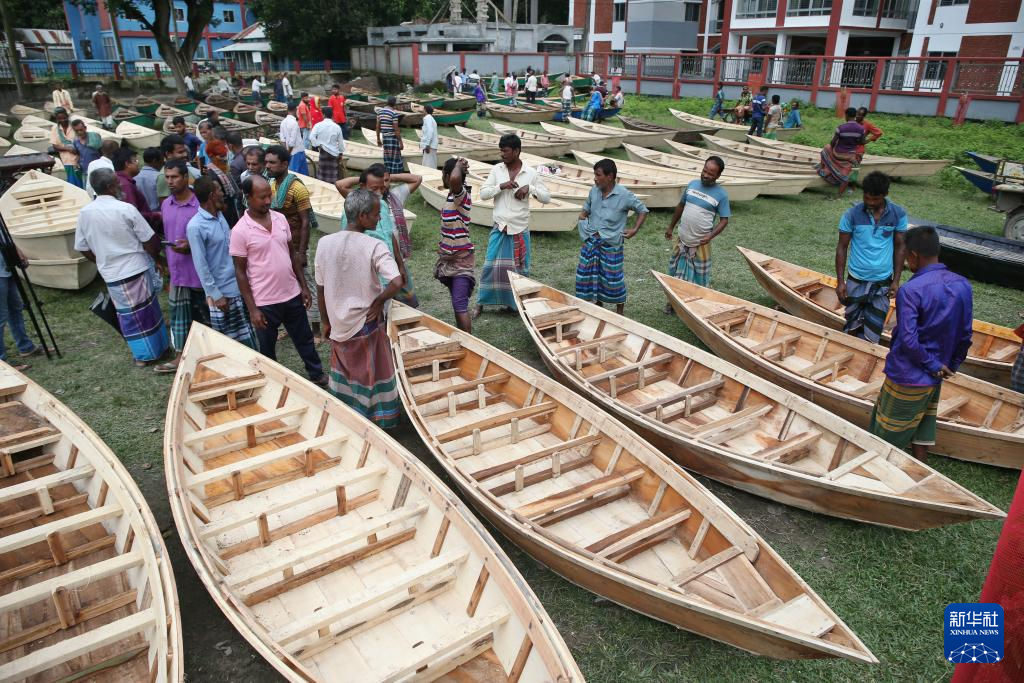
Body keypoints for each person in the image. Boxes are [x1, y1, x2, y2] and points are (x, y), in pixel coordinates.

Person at [869, 225, 972, 463]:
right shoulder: (962, 285)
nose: (905, 262)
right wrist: (950, 365)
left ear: (913, 255)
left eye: (906, 257)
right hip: (935, 373)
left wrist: (933, 365)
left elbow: (908, 339)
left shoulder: (911, 290)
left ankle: (877, 468)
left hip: (908, 374)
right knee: (925, 417)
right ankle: (921, 463)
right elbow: (965, 334)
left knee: (887, 430)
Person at [315, 188, 403, 426]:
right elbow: (396, 281)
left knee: (346, 372)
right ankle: (379, 417)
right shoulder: (374, 246)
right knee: (372, 373)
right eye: (375, 214)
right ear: (363, 215)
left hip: (338, 323)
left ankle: (349, 415)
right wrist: (379, 300)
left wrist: (324, 321)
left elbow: (320, 289)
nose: (379, 218)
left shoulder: (324, 244)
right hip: (366, 322)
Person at [230, 176, 327, 386]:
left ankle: (317, 374)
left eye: (269, 196)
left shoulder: (280, 219)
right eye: (262, 197)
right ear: (248, 197)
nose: (267, 201)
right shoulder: (240, 231)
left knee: (305, 340)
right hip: (264, 302)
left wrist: (303, 286)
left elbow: (292, 254)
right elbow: (240, 272)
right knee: (267, 348)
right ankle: (272, 382)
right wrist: (253, 309)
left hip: (291, 294)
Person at [74, 168, 169, 366]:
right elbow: (150, 239)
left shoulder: (85, 213)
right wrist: (156, 257)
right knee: (146, 310)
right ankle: (151, 353)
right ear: (110, 187)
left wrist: (101, 259)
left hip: (112, 272)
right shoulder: (125, 209)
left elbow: (82, 247)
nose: (120, 186)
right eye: (117, 183)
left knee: (128, 314)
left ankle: (146, 354)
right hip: (134, 267)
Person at [475, 134, 550, 316]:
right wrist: (501, 186)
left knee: (518, 271)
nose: (502, 154)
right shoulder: (497, 170)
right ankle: (480, 304)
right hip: (500, 226)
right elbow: (483, 193)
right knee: (489, 266)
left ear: (516, 151)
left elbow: (546, 198)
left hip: (519, 228)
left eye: (505, 150)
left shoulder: (530, 173)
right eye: (500, 150)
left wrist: (529, 189)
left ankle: (515, 305)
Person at [834, 171, 908, 345]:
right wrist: (840, 282)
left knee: (873, 332)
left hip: (882, 282)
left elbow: (901, 247)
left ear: (885, 195)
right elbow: (842, 247)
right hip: (856, 280)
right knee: (851, 326)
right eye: (867, 198)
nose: (870, 203)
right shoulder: (851, 215)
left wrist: (896, 281)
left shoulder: (898, 215)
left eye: (875, 199)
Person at [335, 164, 420, 307]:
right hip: (371, 274)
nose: (379, 192)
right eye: (374, 188)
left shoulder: (383, 205)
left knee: (402, 304)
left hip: (389, 266)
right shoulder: (353, 209)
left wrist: (400, 265)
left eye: (382, 187)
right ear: (362, 186)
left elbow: (390, 235)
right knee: (378, 309)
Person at [187, 175, 256, 348]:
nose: (222, 193)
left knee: (250, 336)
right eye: (219, 190)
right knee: (233, 344)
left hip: (239, 286)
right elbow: (200, 264)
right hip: (223, 294)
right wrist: (215, 294)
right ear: (211, 195)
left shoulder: (220, 216)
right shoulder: (195, 226)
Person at [575, 158, 649, 315]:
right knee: (587, 276)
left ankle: (619, 312)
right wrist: (583, 222)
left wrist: (634, 229)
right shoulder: (593, 191)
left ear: (610, 177)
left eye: (598, 175)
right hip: (592, 241)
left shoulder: (624, 194)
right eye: (594, 174)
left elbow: (642, 209)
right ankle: (598, 305)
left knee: (613, 280)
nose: (595, 178)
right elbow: (586, 208)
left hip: (611, 244)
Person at [264, 145, 320, 339]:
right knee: (288, 283)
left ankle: (316, 329)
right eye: (267, 162)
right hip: (280, 244)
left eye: (272, 162)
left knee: (307, 282)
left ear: (285, 164)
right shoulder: (271, 186)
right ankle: (291, 324)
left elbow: (305, 222)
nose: (267, 166)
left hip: (296, 244)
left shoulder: (297, 188)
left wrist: (302, 251)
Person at [156, 159, 206, 373]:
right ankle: (180, 356)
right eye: (167, 177)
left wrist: (191, 245)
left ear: (186, 177)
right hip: (177, 271)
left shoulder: (200, 204)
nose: (170, 181)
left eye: (174, 177)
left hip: (200, 272)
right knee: (179, 317)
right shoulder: (166, 204)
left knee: (205, 316)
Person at [664, 157, 730, 302]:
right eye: (704, 171)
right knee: (675, 271)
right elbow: (681, 206)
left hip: (701, 243)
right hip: (682, 239)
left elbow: (724, 220)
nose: (706, 175)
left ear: (718, 176)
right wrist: (671, 227)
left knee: (700, 276)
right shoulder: (692, 184)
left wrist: (711, 236)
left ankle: (698, 303)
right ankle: (673, 302)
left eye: (711, 174)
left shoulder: (721, 195)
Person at [436, 157, 475, 332]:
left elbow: (454, 180)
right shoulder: (451, 197)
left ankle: (470, 344)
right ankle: (463, 337)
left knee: (460, 306)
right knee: (457, 303)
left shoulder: (462, 196)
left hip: (461, 263)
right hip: (450, 262)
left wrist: (458, 166)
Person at [0, 245, 40, 372]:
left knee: (15, 309)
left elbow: (3, 237)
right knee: (1, 317)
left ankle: (26, 347)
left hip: (6, 268)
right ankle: (2, 363)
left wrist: (17, 251)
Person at [817, 107, 865, 198]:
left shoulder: (841, 128)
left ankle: (824, 169)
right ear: (855, 116)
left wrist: (835, 145)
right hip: (850, 155)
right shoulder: (861, 129)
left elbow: (833, 142)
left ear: (846, 115)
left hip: (838, 154)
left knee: (826, 149)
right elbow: (862, 142)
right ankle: (839, 194)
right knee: (845, 175)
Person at [113, 147, 161, 231]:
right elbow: (132, 215)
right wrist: (155, 215)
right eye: (136, 161)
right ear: (127, 164)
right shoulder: (126, 185)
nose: (138, 164)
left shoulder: (118, 180)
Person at [203, 139, 241, 226]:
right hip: (222, 211)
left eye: (225, 156)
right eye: (221, 156)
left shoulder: (224, 169)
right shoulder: (210, 173)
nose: (224, 159)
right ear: (211, 156)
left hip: (231, 208)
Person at [156, 134, 200, 202]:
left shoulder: (185, 168)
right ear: (168, 154)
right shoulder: (163, 176)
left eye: (185, 151)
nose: (185, 154)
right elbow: (165, 205)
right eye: (180, 152)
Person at [309, 106, 345, 184]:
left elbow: (311, 137)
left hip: (323, 152)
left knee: (322, 173)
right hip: (334, 153)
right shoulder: (337, 127)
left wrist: (317, 144)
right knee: (333, 175)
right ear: (332, 115)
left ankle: (323, 186)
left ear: (323, 115)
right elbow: (341, 143)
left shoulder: (318, 125)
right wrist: (341, 153)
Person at [49, 108, 83, 187]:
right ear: (56, 119)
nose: (63, 120)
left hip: (80, 159)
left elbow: (83, 140)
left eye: (64, 118)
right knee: (73, 184)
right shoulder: (55, 128)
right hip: (66, 160)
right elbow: (55, 146)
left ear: (68, 116)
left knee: (82, 182)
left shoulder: (74, 126)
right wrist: (68, 149)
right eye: (59, 119)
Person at [375, 96, 404, 174]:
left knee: (387, 156)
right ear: (394, 104)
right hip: (392, 138)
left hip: (385, 137)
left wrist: (378, 139)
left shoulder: (380, 112)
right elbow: (396, 129)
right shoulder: (394, 113)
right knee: (395, 157)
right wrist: (401, 142)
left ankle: (388, 173)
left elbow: (378, 127)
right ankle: (395, 174)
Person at [278, 103, 309, 175]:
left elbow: (282, 139)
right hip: (297, 151)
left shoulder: (283, 122)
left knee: (293, 172)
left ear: (287, 110)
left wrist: (286, 151)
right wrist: (288, 153)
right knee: (299, 173)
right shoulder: (294, 123)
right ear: (295, 110)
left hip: (290, 151)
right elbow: (292, 142)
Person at [70, 119, 101, 185]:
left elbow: (102, 151)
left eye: (81, 130)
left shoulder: (94, 138)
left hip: (97, 170)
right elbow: (79, 154)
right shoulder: (76, 141)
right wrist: (76, 163)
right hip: (85, 171)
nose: (79, 132)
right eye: (76, 131)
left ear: (85, 128)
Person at [136, 147, 163, 212]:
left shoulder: (135, 177)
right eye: (162, 160)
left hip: (142, 215)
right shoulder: (160, 176)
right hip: (158, 214)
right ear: (155, 161)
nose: (163, 162)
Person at [420, 105, 439, 169]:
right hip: (432, 145)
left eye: (423, 109)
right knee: (430, 164)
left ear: (425, 110)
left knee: (428, 166)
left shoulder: (428, 118)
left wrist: (427, 144)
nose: (422, 111)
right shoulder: (431, 118)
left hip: (430, 146)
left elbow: (430, 131)